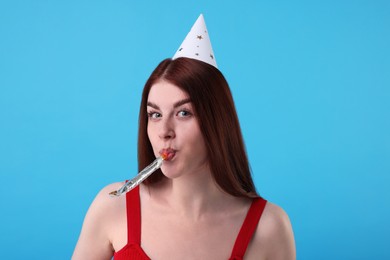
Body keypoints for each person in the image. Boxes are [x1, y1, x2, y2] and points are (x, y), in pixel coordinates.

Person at [72, 14, 295, 260]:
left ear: (217, 122)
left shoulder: (269, 227)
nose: (164, 130)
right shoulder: (113, 206)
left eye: (183, 112)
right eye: (155, 114)